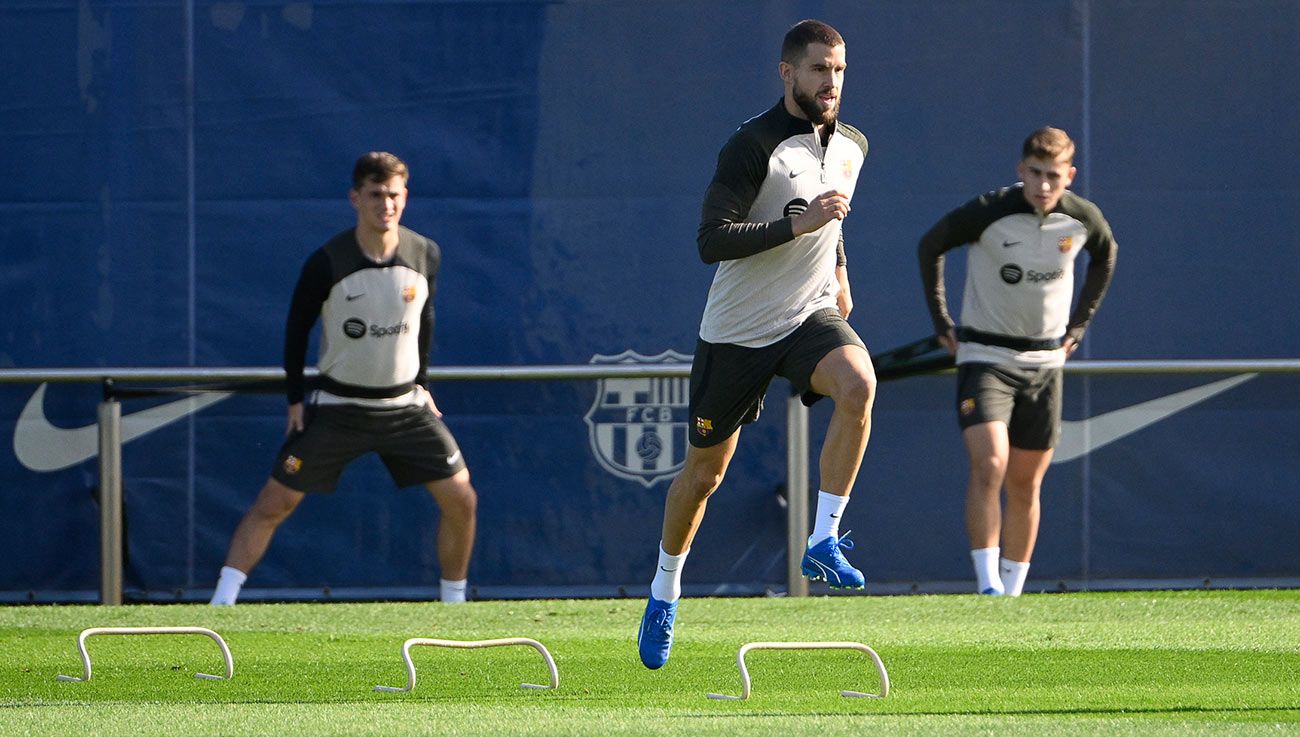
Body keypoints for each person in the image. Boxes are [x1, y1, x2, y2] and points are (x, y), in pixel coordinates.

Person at [638, 19, 876, 670]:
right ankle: (665, 588)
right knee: (703, 476)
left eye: (840, 71)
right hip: (739, 330)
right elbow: (711, 239)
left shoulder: (853, 142)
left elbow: (836, 210)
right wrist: (798, 225)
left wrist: (840, 271)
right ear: (787, 73)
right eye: (819, 70)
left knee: (860, 383)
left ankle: (823, 537)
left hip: (807, 315)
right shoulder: (751, 145)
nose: (831, 82)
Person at [209, 152, 478, 606]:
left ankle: (454, 606)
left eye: (393, 195)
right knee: (274, 503)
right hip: (338, 408)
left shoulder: (425, 253)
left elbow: (424, 319)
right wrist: (295, 399)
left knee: (462, 500)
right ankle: (222, 604)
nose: (385, 205)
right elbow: (296, 330)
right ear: (355, 198)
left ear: (405, 196)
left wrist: (423, 383)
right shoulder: (326, 262)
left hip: (404, 409)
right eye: (375, 195)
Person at [917, 127, 1117, 596]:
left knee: (1027, 482)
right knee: (989, 463)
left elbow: (1106, 257)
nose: (1043, 185)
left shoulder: (1082, 218)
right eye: (1034, 173)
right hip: (985, 357)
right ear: (1019, 170)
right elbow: (931, 246)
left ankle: (1012, 592)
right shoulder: (988, 212)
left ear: (1069, 176)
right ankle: (986, 586)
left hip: (1045, 364)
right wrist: (942, 321)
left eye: (1053, 176)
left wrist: (1078, 328)